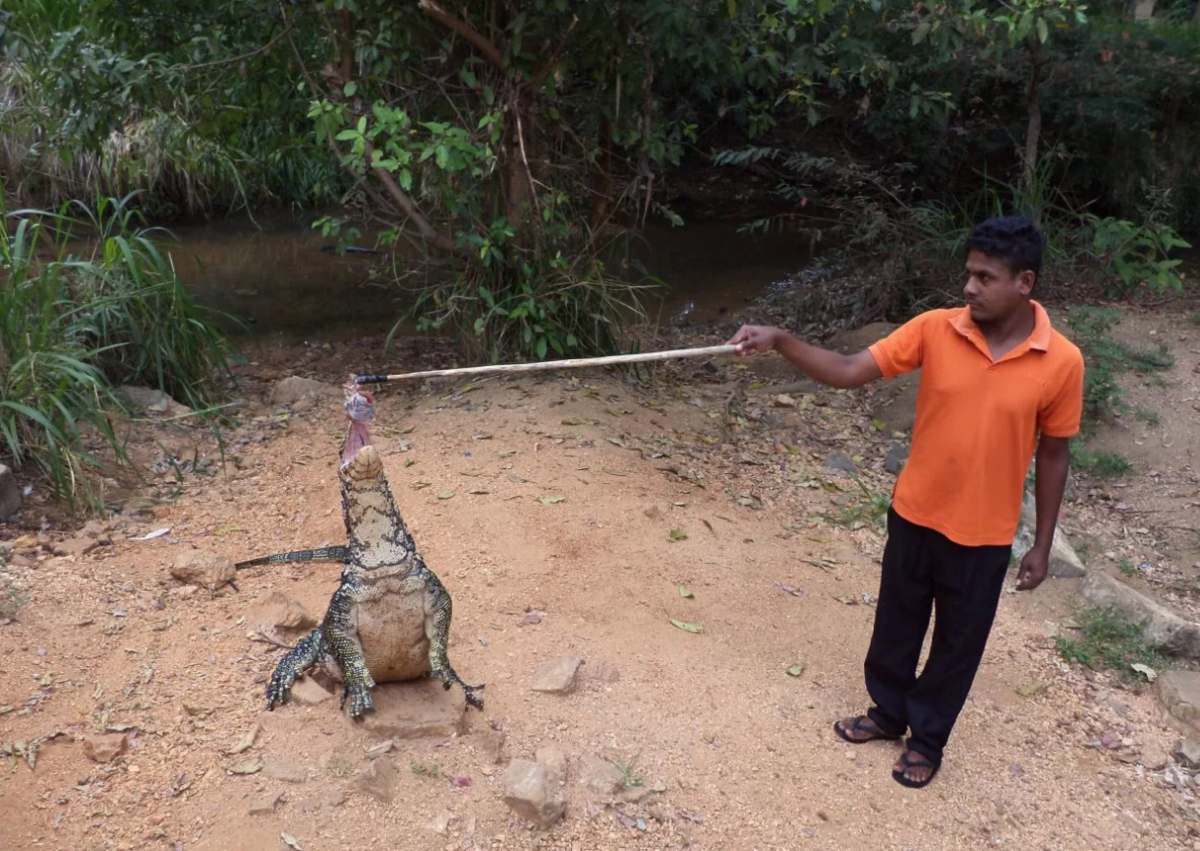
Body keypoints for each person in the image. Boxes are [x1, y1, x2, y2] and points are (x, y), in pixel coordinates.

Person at [726, 215, 1084, 789]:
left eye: (985, 277)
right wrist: (782, 341)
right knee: (897, 622)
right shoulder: (936, 329)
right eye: (968, 274)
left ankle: (929, 739)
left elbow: (1054, 454)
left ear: (1024, 283)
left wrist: (1042, 544)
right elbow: (847, 371)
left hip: (986, 533)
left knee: (957, 645)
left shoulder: (1061, 361)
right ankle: (888, 714)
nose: (968, 288)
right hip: (916, 511)